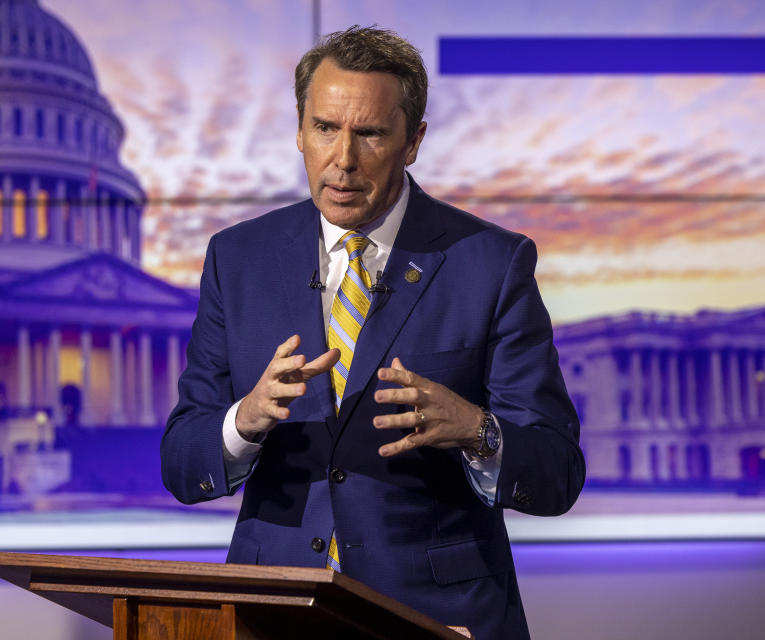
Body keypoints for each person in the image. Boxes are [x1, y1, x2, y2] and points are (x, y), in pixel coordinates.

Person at [162, 26, 585, 639]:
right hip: (271, 615)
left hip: (434, 619)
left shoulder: (491, 264)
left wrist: (477, 431)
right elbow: (181, 462)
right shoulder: (238, 258)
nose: (343, 159)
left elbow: (557, 473)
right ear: (299, 131)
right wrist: (244, 421)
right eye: (326, 129)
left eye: (371, 134)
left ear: (413, 142)